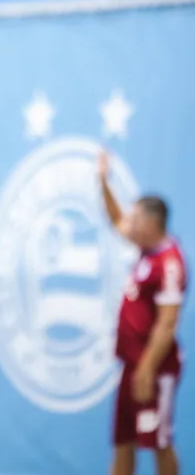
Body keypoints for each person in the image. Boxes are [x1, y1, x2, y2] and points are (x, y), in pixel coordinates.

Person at [99, 152, 186, 475]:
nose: (130, 225)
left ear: (152, 222)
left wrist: (148, 369)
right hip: (131, 366)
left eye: (136, 219)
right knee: (123, 441)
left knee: (158, 440)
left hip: (155, 368)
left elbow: (167, 322)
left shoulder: (171, 262)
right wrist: (102, 182)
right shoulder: (145, 252)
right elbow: (115, 219)